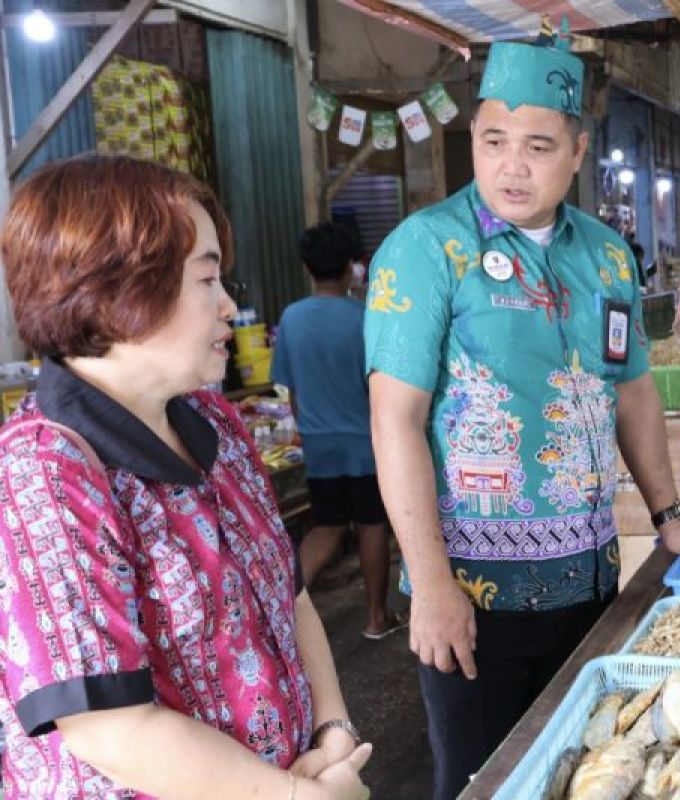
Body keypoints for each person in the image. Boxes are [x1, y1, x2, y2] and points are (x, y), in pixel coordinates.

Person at [364, 22, 680, 800]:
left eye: (538, 146)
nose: (512, 164)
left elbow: (632, 388)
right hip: (474, 596)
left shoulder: (605, 255)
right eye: (495, 140)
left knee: (591, 772)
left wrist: (668, 512)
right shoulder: (426, 250)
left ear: (577, 151)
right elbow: (395, 421)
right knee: (482, 780)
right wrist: (432, 585)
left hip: (590, 584)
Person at [0, 156, 371, 800]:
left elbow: (290, 594)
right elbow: (109, 727)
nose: (230, 305)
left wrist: (331, 728)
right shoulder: (42, 474)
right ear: (115, 294)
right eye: (208, 279)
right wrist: (291, 796)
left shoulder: (211, 418)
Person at [272, 222, 402, 641]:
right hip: (365, 445)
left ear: (306, 267)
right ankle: (377, 618)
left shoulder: (291, 319)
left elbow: (290, 392)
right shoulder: (365, 319)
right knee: (371, 525)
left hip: (319, 444)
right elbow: (379, 387)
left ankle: (280, 612)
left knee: (326, 527)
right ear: (352, 268)